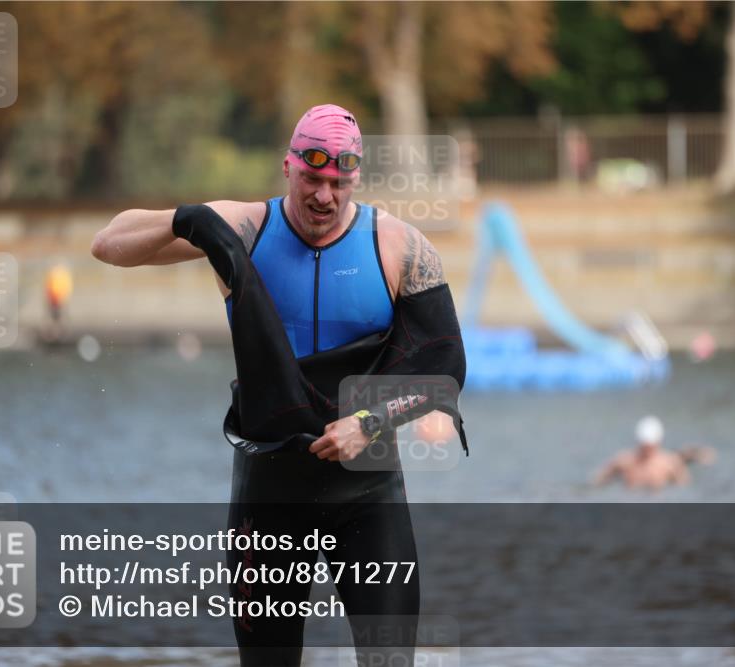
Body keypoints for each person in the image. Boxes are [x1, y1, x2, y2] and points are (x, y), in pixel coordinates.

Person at [92, 104, 465, 666]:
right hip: (268, 491)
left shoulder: (398, 247)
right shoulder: (247, 230)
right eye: (312, 178)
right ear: (287, 167)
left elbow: (445, 367)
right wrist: (190, 219)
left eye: (338, 182)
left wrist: (370, 422)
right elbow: (108, 244)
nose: (324, 196)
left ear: (355, 179)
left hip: (366, 491)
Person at [592, 416, 693, 491]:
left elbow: (684, 486)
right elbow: (598, 480)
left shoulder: (669, 463)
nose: (647, 451)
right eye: (644, 446)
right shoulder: (624, 461)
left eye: (650, 447)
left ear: (658, 443)